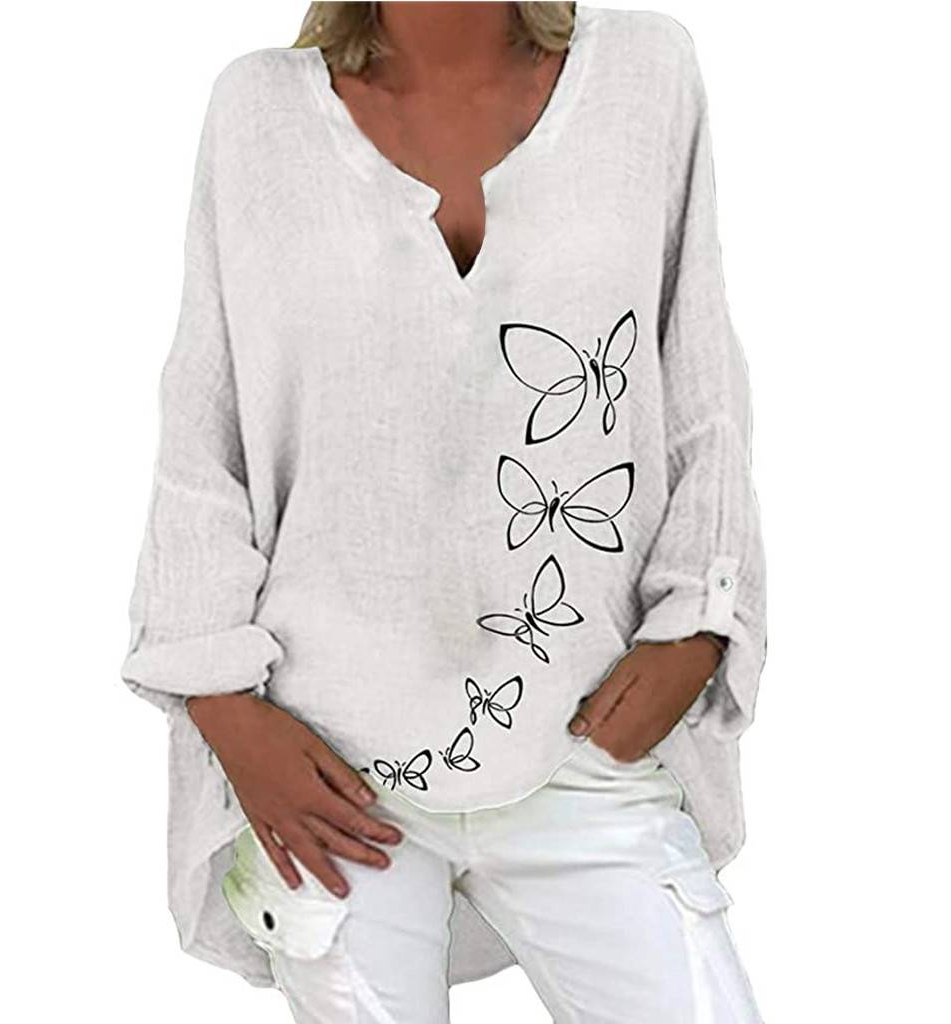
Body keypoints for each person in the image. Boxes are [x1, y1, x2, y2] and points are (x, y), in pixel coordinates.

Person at [120, 3, 768, 1020]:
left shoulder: (645, 74)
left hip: (582, 726)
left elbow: (699, 376)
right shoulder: (259, 114)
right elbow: (206, 423)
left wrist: (702, 617)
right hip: (326, 763)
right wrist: (223, 707)